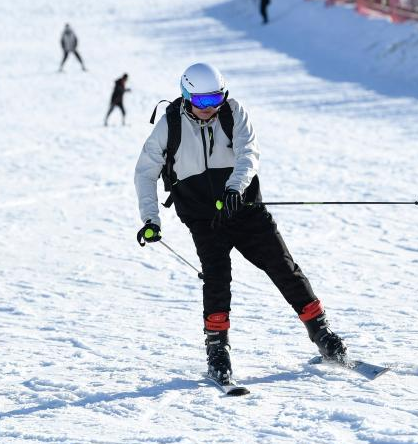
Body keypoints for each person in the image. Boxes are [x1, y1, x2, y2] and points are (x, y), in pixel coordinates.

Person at [134, 63, 349, 387]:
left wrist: (235, 188)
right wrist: (151, 219)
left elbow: (249, 154)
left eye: (216, 99)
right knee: (217, 278)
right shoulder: (171, 123)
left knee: (282, 266)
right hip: (203, 218)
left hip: (244, 208)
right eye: (203, 102)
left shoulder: (233, 113)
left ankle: (321, 332)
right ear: (187, 95)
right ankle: (217, 351)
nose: (211, 108)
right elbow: (145, 172)